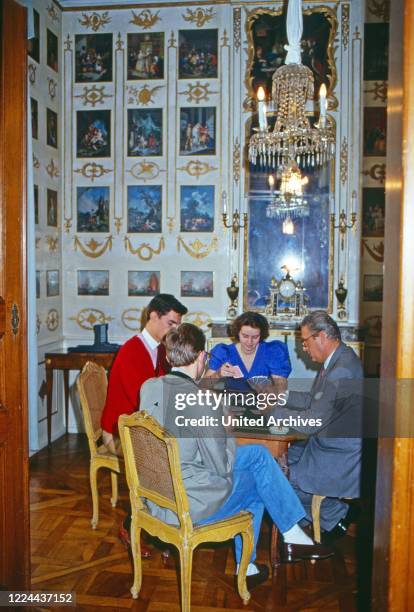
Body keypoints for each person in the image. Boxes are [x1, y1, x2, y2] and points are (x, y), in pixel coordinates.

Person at [140, 324, 334, 588]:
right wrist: (226, 427)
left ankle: (275, 548)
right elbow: (222, 466)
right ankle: (278, 545)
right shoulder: (200, 401)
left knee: (256, 456)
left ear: (168, 356)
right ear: (201, 357)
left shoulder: (150, 387)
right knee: (256, 481)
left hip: (157, 496)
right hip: (186, 504)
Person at [272, 310, 363, 544]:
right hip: (324, 445)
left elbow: (312, 421)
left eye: (305, 341)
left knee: (276, 478)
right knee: (273, 463)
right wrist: (280, 397)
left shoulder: (341, 368)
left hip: (336, 456)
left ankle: (332, 517)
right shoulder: (338, 359)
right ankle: (313, 522)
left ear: (321, 336)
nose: (303, 347)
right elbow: (314, 400)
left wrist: (274, 413)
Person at [101, 293, 188, 455]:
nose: (174, 331)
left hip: (142, 426)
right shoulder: (132, 351)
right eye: (171, 324)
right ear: (153, 315)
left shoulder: (161, 349)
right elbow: (144, 403)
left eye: (177, 326)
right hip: (120, 433)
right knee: (185, 448)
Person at [205, 311, 291, 392]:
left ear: (261, 335)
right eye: (245, 336)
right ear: (237, 333)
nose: (249, 342)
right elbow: (204, 385)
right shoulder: (224, 352)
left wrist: (270, 390)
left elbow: (281, 387)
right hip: (233, 405)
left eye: (255, 337)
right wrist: (218, 374)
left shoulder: (273, 352)